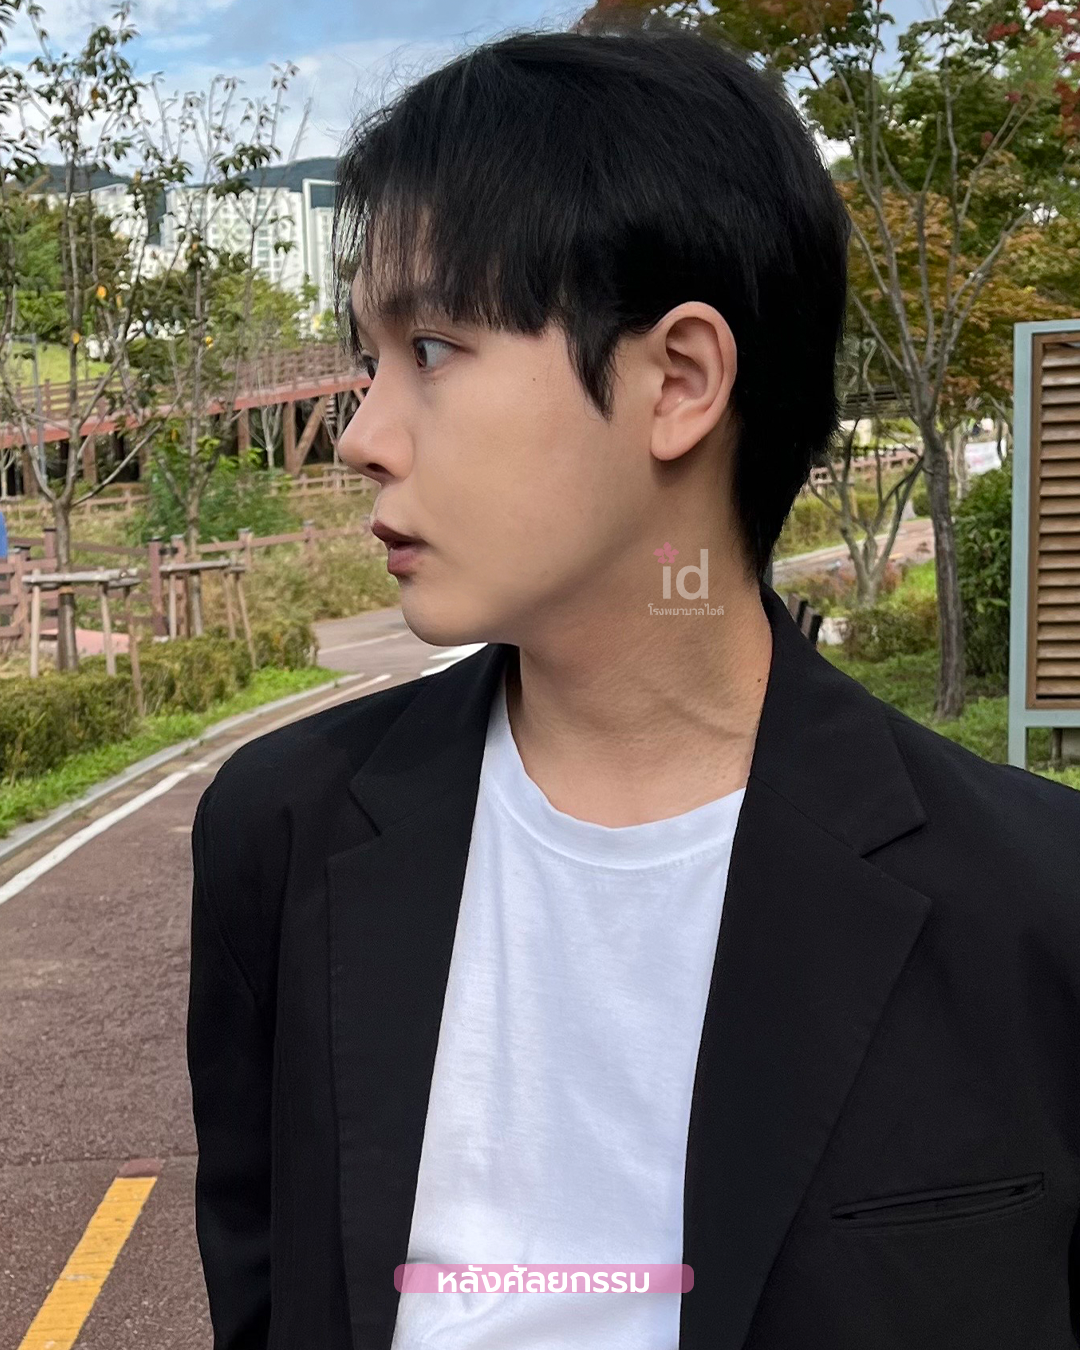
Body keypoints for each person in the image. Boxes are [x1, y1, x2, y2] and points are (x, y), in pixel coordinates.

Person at [186, 17, 1080, 1350]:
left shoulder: (1035, 904)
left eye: (431, 348)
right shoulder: (283, 835)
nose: (363, 435)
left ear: (679, 381)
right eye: (370, 360)